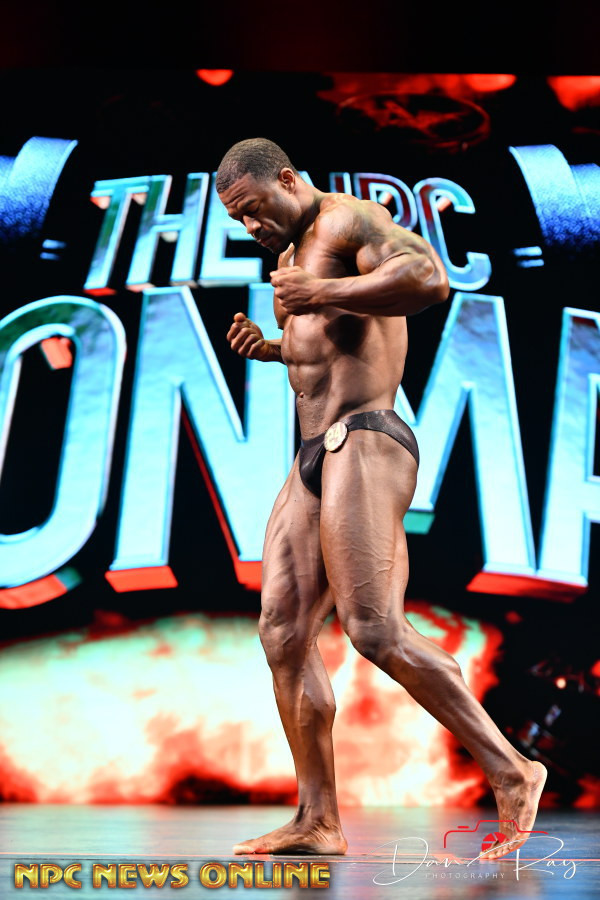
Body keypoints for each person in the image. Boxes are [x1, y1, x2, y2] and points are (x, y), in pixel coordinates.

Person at [216, 138, 546, 859]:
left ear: (287, 179)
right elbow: (323, 349)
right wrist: (271, 347)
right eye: (238, 220)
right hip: (312, 453)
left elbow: (427, 278)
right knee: (281, 632)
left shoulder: (348, 219)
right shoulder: (294, 253)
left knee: (374, 630)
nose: (251, 227)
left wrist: (320, 292)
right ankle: (317, 820)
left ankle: (513, 769)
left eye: (254, 209)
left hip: (366, 437)